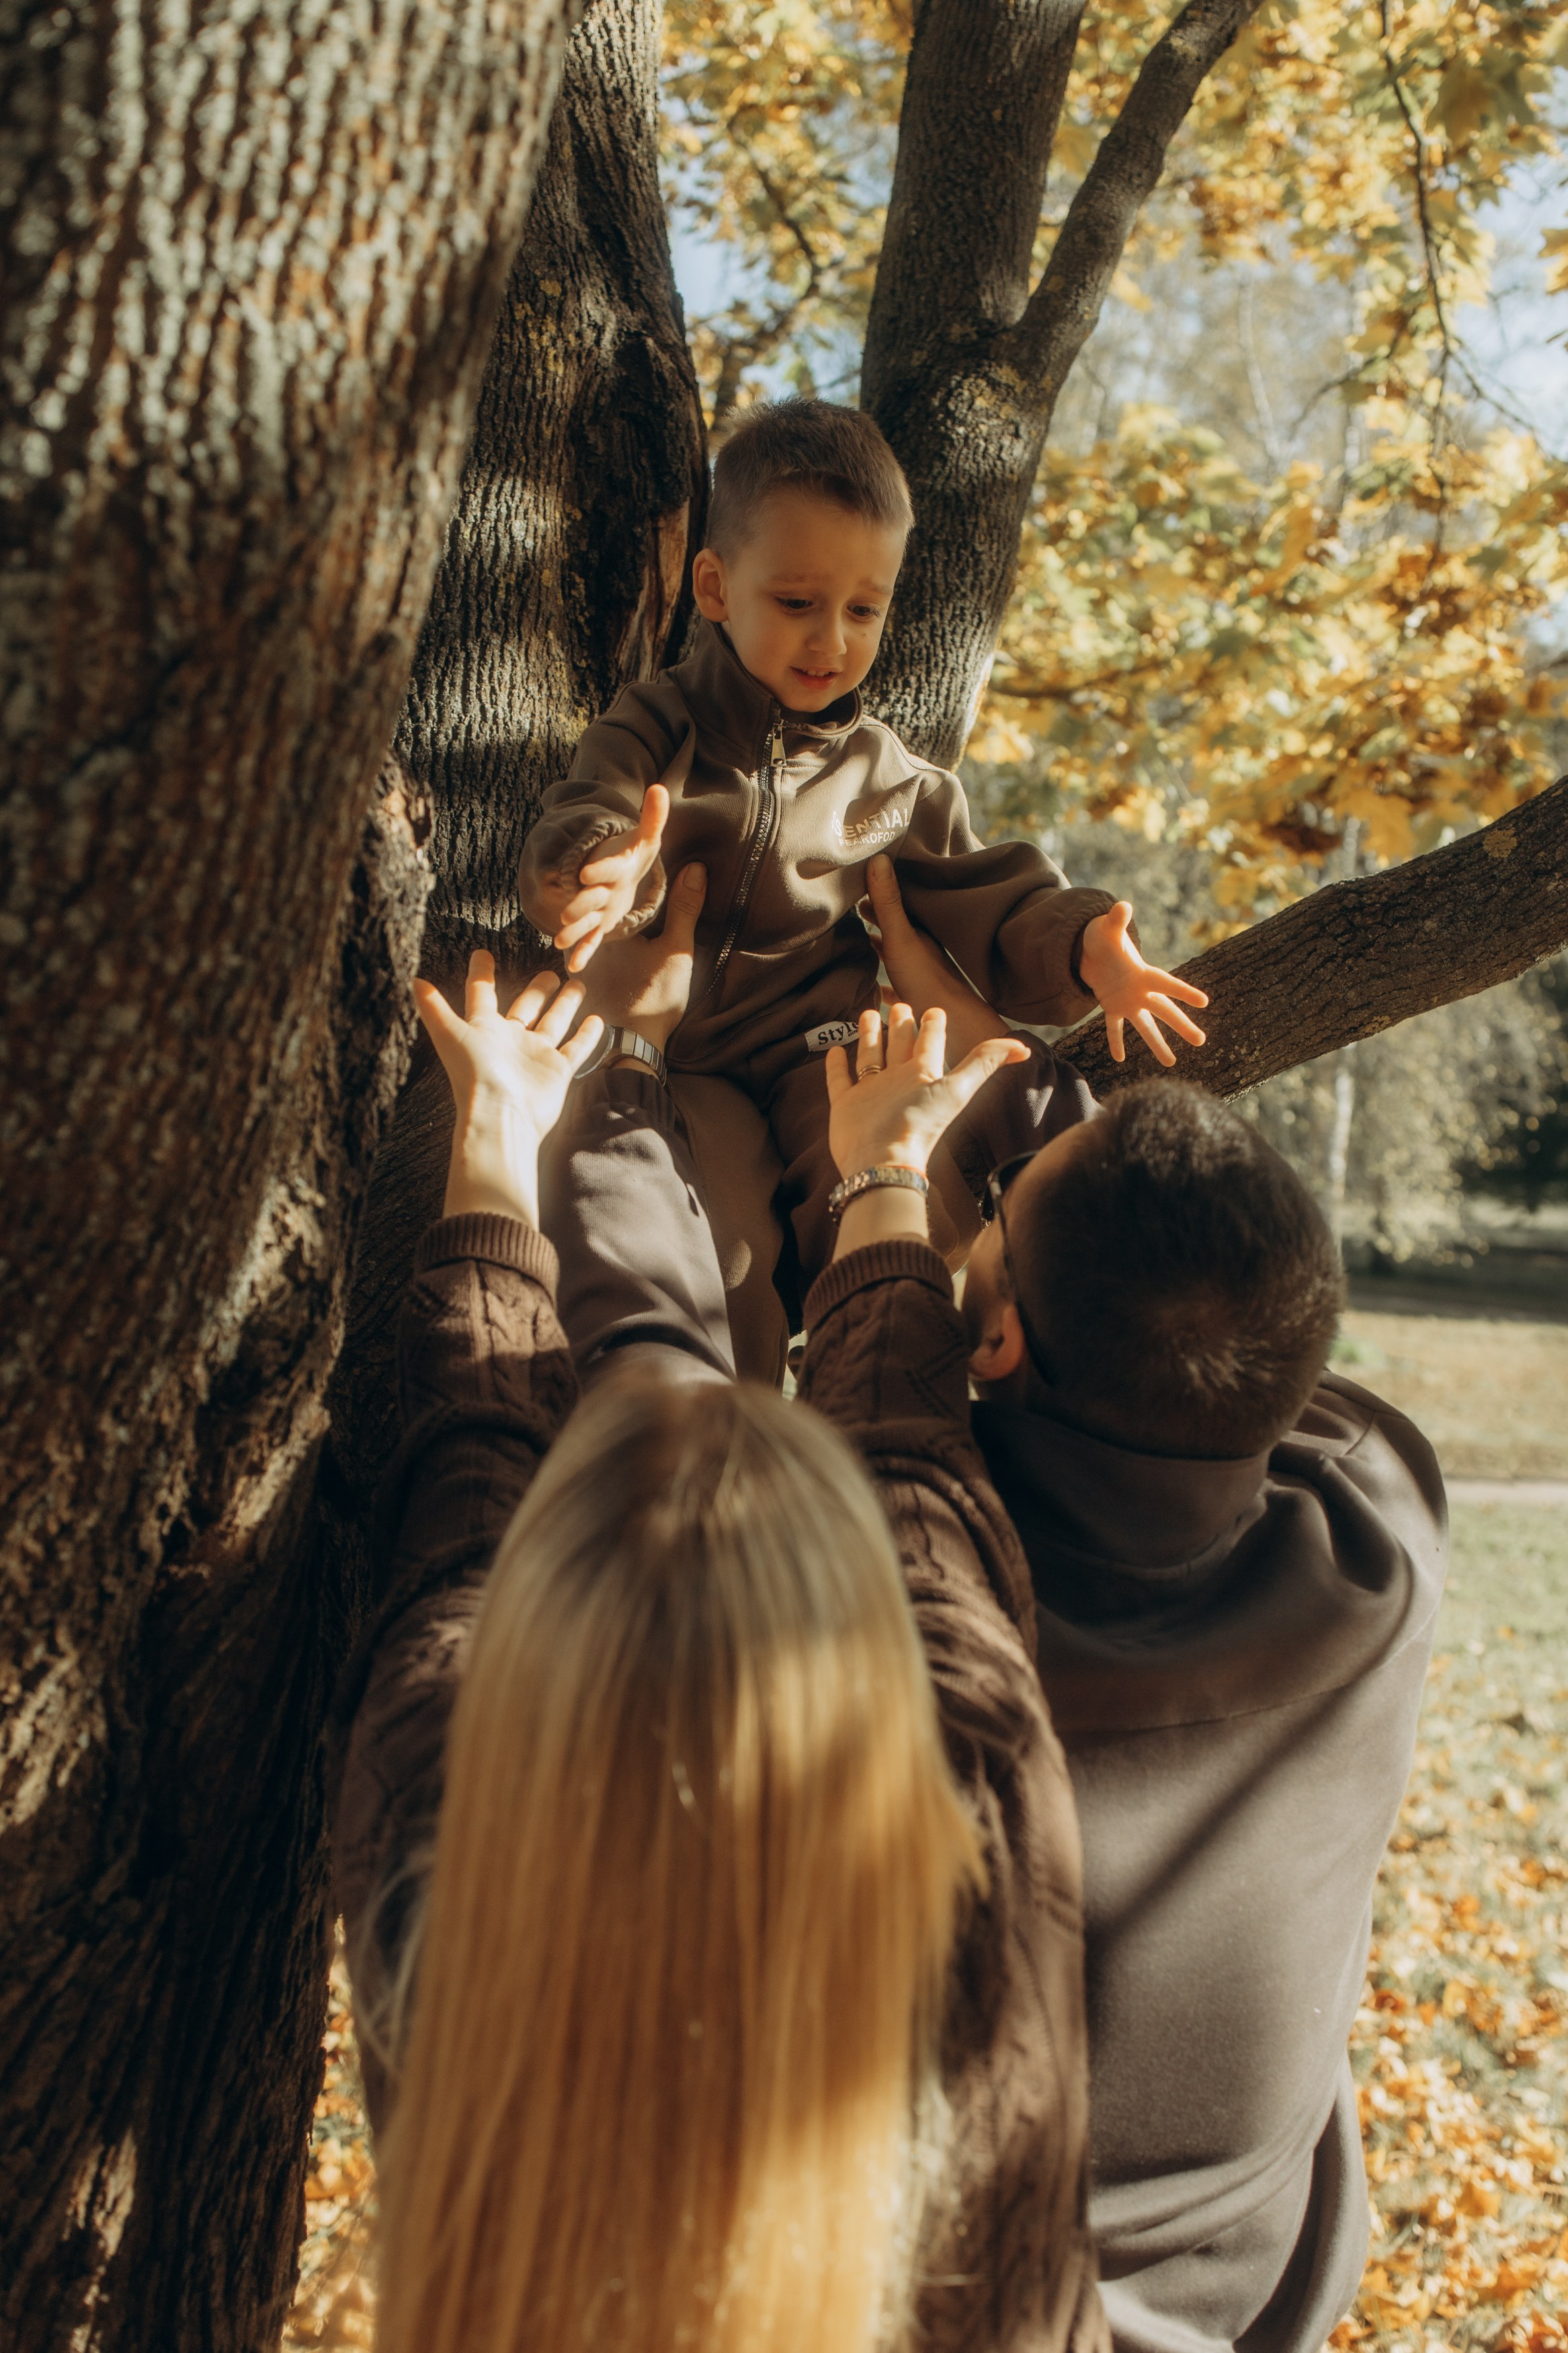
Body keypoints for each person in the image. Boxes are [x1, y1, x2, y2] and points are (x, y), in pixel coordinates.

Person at [328, 887, 1110, 2353]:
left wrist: (502, 1128)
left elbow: (466, 1488)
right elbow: (917, 1480)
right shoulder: (975, 1887)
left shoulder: (438, 1876)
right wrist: (886, 1172)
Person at [862, 854, 1449, 2353]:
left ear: (987, 1339)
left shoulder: (932, 1633)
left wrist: (881, 1184)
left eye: (986, 1233)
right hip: (1261, 2300)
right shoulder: (1384, 1531)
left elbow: (893, 1450)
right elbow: (1175, 1286)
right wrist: (994, 1084)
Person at [518, 397, 1207, 1318]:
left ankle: (872, 1384)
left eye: (863, 609)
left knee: (900, 1209)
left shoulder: (891, 781)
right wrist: (594, 868)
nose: (830, 641)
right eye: (796, 604)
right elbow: (591, 807)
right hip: (687, 1061)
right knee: (722, 1257)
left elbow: (993, 896)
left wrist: (1087, 949)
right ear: (715, 587)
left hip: (823, 1053)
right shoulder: (657, 723)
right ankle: (739, 1431)